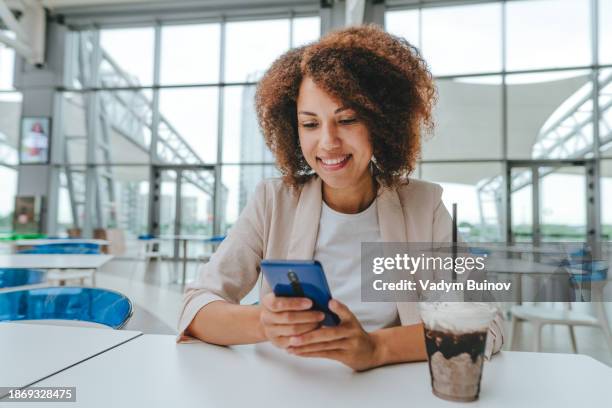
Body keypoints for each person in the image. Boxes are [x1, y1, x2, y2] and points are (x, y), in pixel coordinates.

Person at [177, 24, 504, 371]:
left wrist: (375, 348)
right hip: (287, 383)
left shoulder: (424, 206)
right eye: (310, 124)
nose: (328, 142)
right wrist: (263, 323)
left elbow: (486, 324)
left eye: (347, 119)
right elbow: (195, 307)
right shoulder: (273, 201)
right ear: (293, 130)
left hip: (386, 386)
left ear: (381, 123)